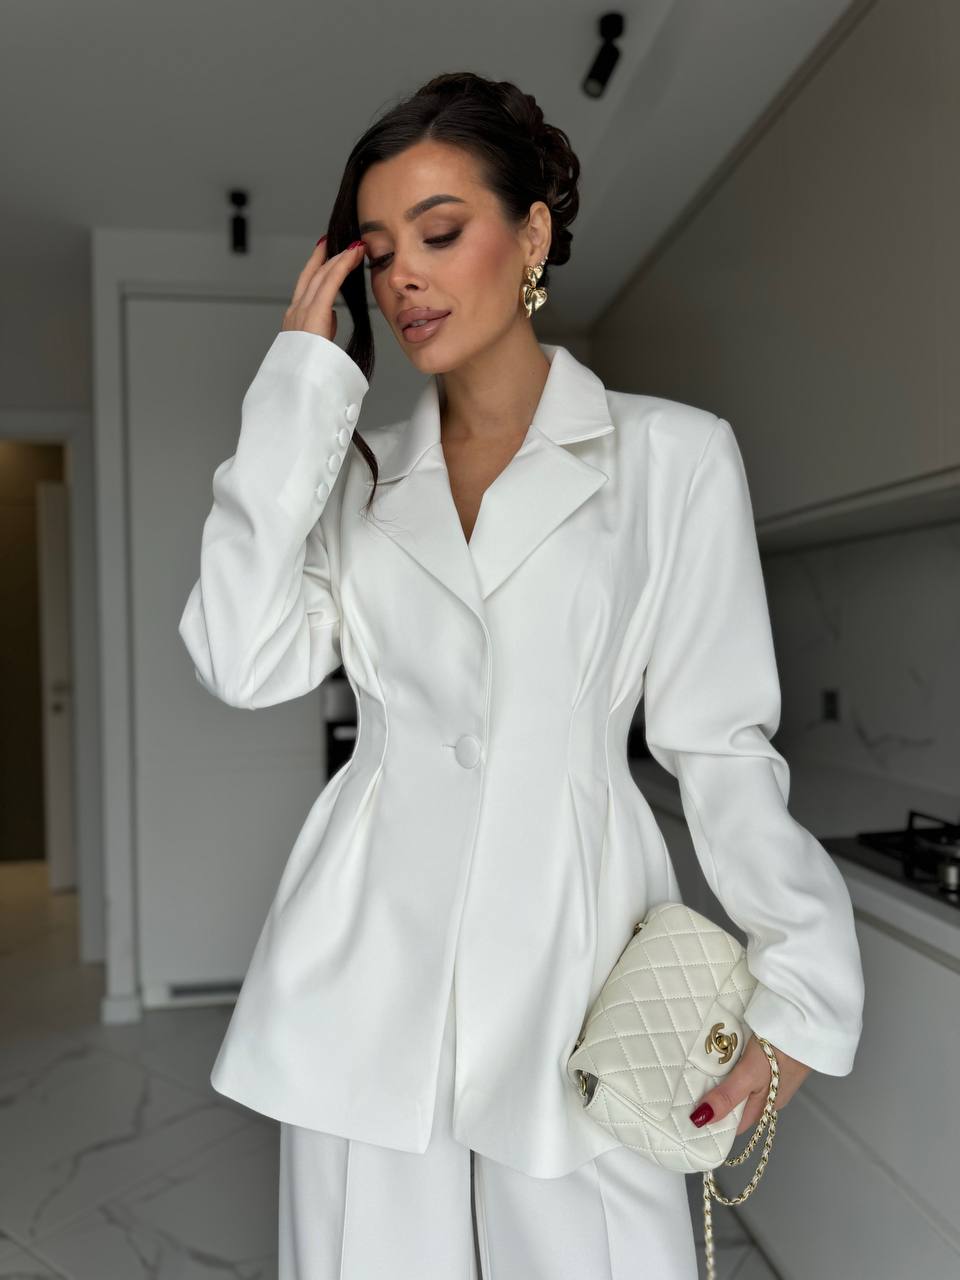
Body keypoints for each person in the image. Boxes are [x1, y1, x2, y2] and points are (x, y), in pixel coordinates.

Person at [178, 71, 865, 1279]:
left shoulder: (673, 458)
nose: (404, 276)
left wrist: (803, 984)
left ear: (532, 233)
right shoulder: (354, 482)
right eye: (379, 250)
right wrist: (295, 400)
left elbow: (718, 743)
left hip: (575, 958)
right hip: (366, 974)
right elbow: (239, 658)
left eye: (441, 232)